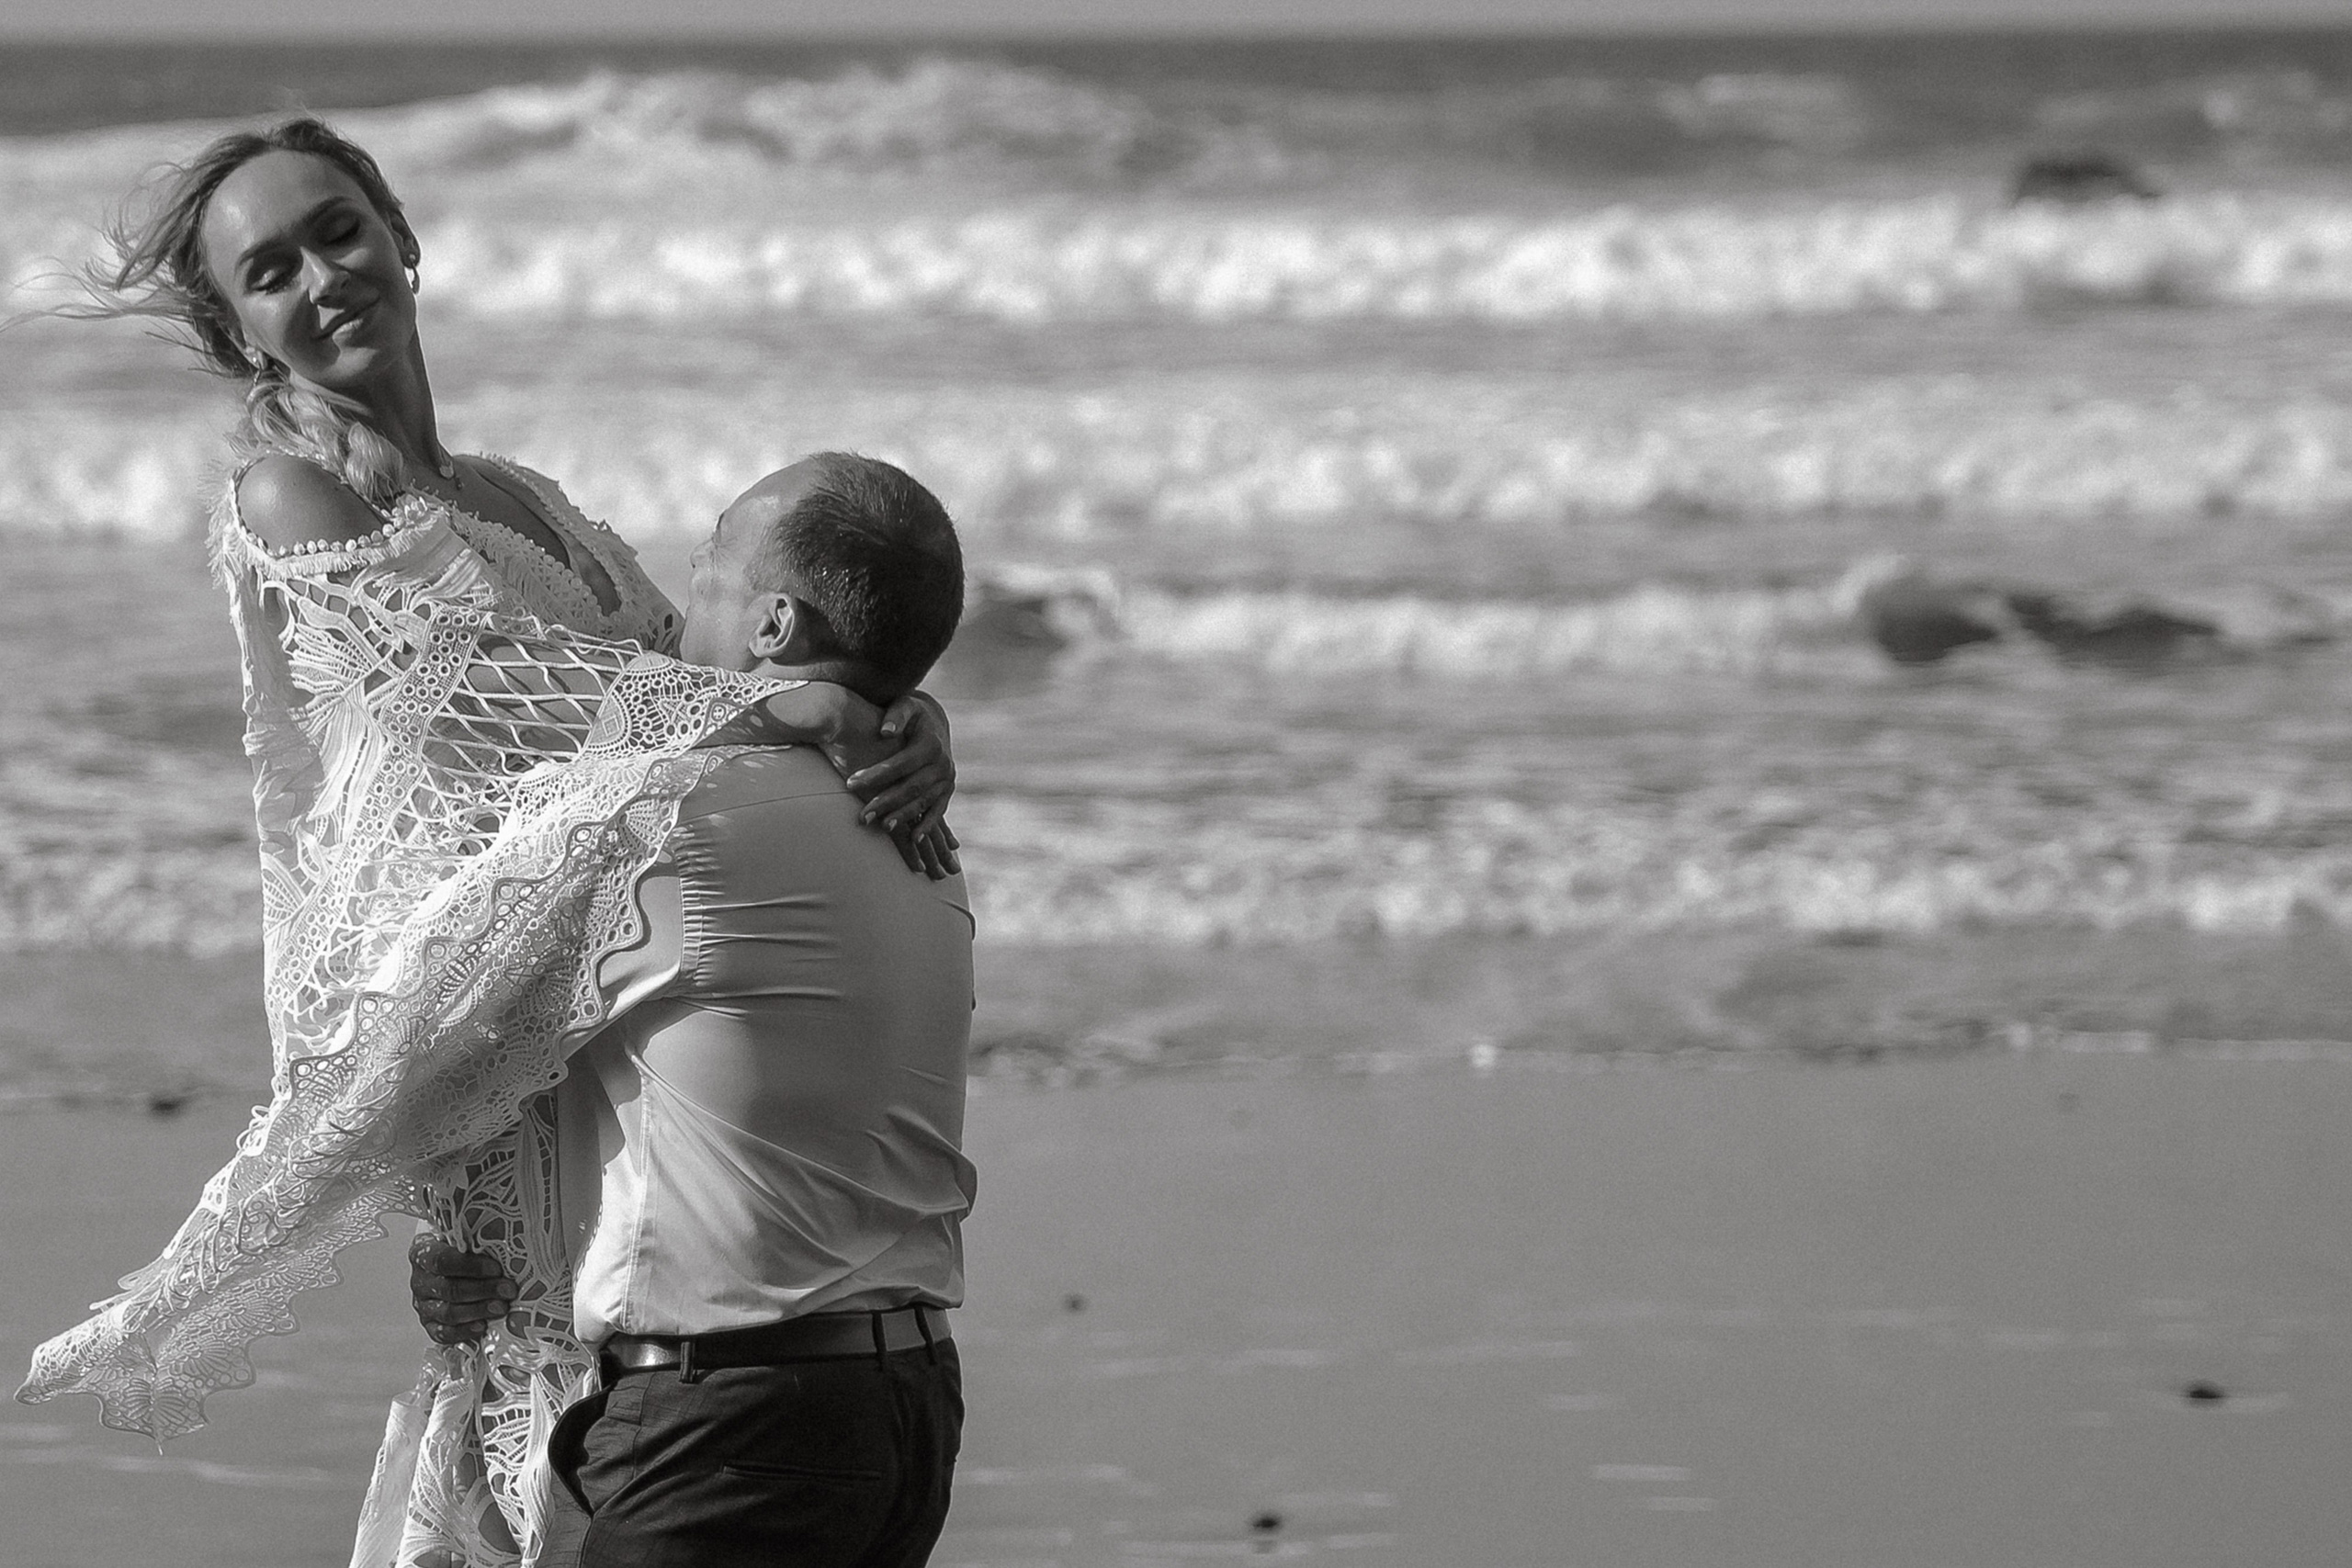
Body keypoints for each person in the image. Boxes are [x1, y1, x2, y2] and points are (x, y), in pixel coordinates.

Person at [16, 118, 957, 1568]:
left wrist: (893, 707)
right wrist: (802, 698)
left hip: (626, 1038)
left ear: (402, 234)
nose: (322, 278)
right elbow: (561, 725)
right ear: (242, 334)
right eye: (269, 272)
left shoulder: (531, 504)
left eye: (339, 231)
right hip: (497, 1055)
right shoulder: (293, 501)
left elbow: (702, 687)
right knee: (548, 1442)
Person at [415, 453, 975, 1568]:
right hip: (902, 1410)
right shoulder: (920, 839)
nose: (686, 573)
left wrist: (437, 1220)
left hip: (732, 1433)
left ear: (774, 624)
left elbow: (410, 1034)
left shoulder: (669, 819)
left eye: (714, 552)